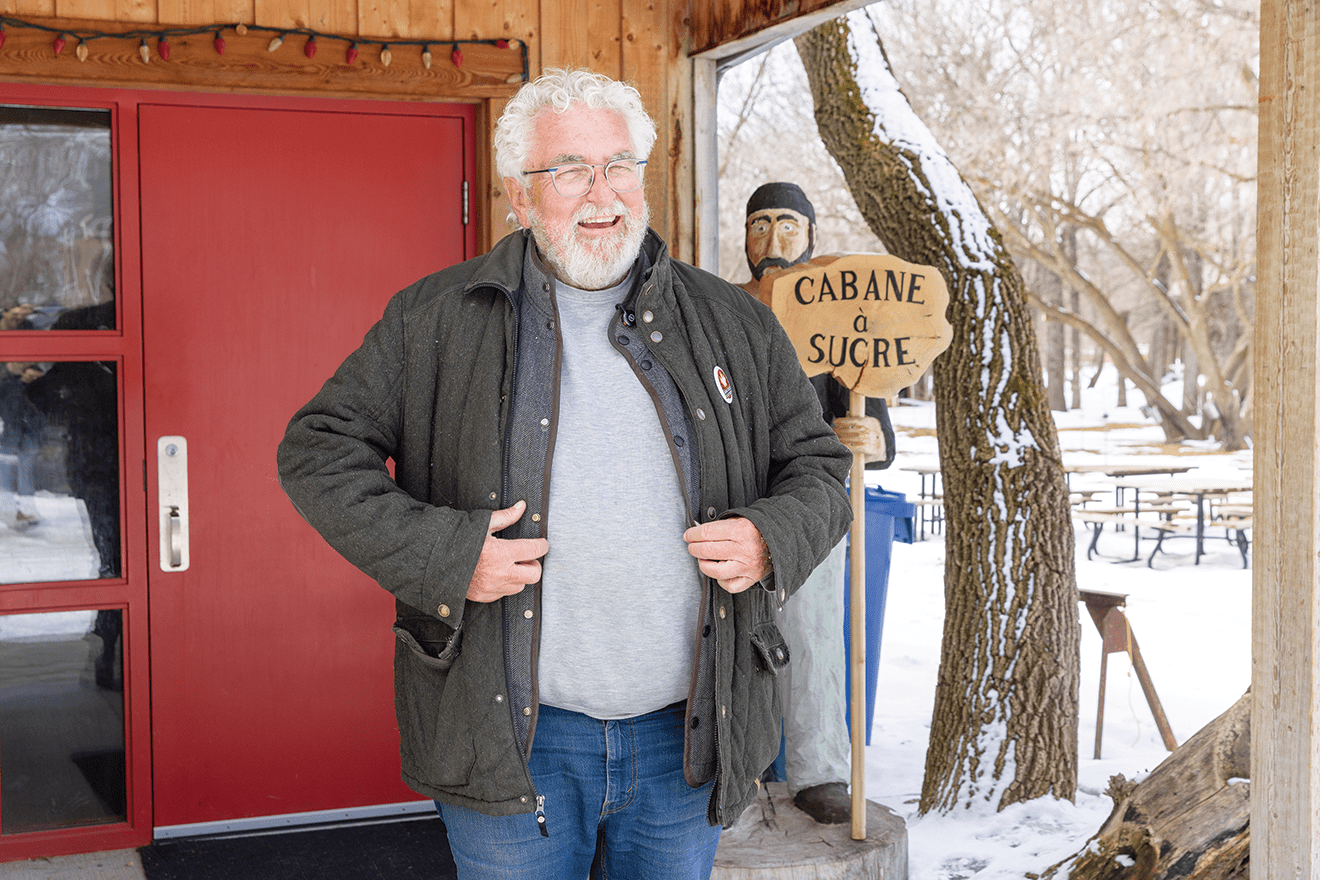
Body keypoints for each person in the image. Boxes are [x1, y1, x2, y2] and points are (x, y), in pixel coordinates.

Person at [277, 68, 851, 879]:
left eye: (619, 165)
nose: (603, 193)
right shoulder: (435, 319)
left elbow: (821, 468)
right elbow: (317, 449)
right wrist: (447, 554)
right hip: (510, 739)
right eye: (572, 169)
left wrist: (770, 538)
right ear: (519, 192)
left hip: (688, 733)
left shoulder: (735, 324)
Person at [739, 182, 896, 825]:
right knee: (728, 635)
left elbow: (877, 434)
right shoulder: (721, 310)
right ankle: (732, 765)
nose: (774, 242)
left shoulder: (843, 319)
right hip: (733, 505)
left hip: (812, 506)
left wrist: (866, 436)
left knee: (815, 631)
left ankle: (820, 768)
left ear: (811, 235)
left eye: (788, 226)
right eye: (761, 226)